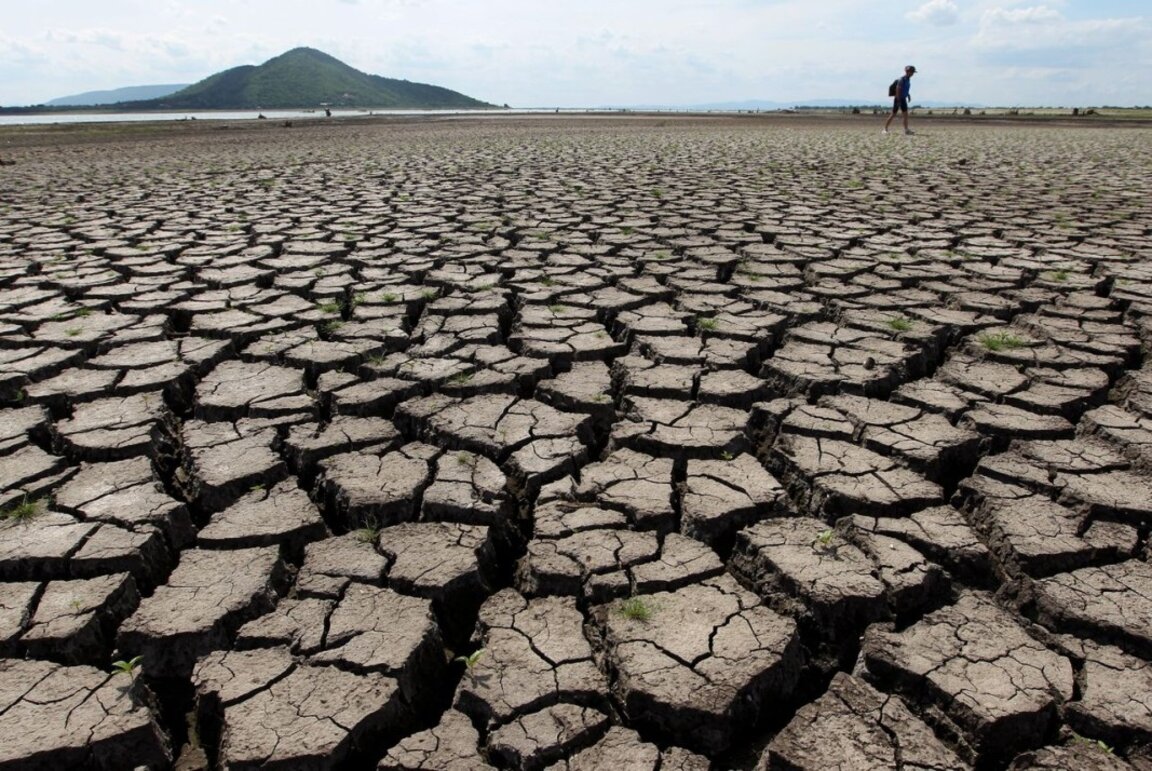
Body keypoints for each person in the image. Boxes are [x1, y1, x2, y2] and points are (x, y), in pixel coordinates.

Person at [883, 65, 917, 135]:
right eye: (912, 72)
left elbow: (905, 89)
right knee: (893, 114)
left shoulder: (907, 79)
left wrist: (908, 95)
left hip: (903, 99)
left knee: (905, 115)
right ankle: (885, 129)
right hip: (898, 99)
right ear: (907, 72)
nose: (913, 74)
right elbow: (898, 90)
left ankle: (906, 130)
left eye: (913, 72)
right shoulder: (902, 79)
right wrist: (898, 101)